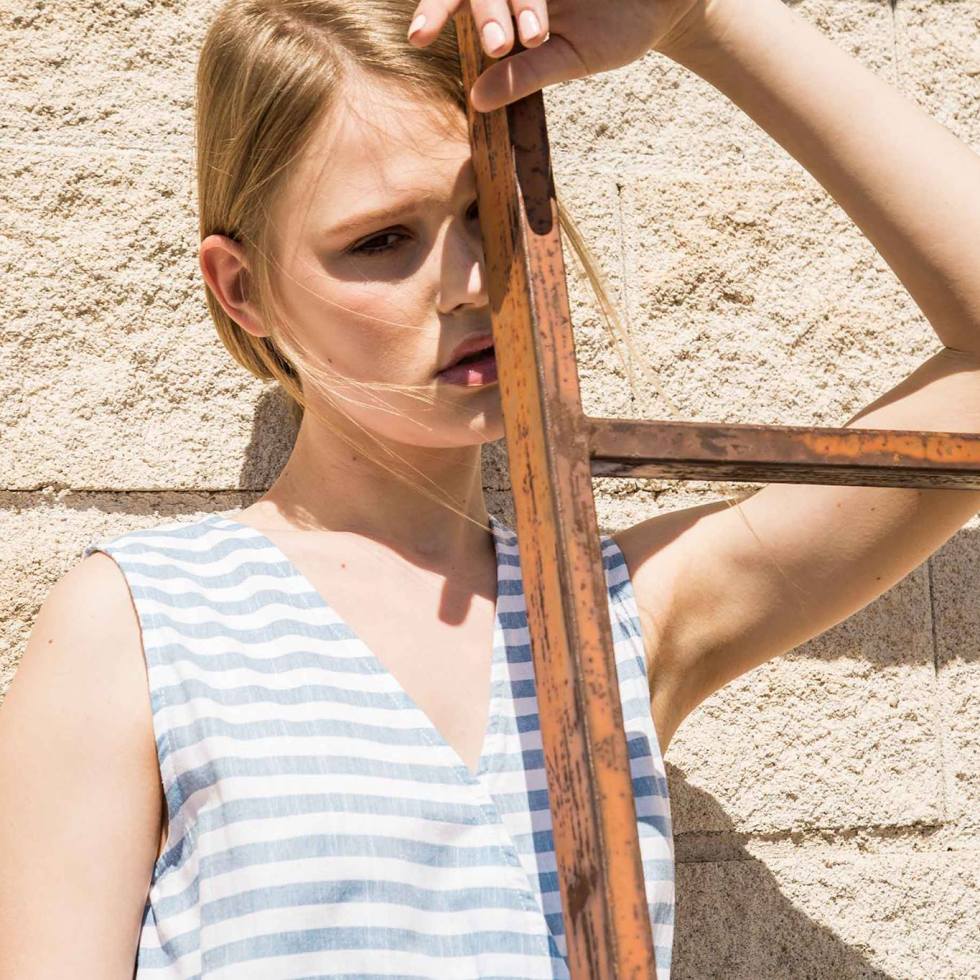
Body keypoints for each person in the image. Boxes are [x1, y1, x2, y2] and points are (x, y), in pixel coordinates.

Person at [1, 0, 978, 976]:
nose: (470, 279)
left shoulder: (613, 617)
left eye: (485, 211)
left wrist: (699, 17)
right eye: (381, 241)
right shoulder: (143, 626)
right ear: (242, 287)